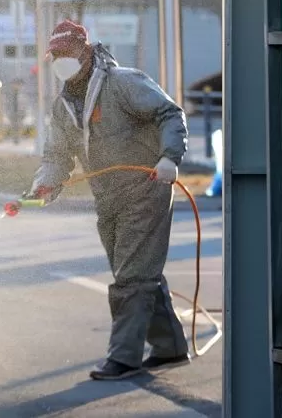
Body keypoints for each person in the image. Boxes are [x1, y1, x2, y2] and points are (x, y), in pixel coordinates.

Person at [26, 19, 191, 381]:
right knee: (137, 273)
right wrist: (44, 186)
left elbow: (169, 114)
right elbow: (56, 156)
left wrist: (168, 158)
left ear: (86, 51)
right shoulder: (63, 106)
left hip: (145, 189)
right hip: (109, 199)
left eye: (68, 54)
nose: (62, 62)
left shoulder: (123, 83)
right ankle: (171, 348)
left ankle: (124, 358)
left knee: (131, 278)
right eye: (56, 56)